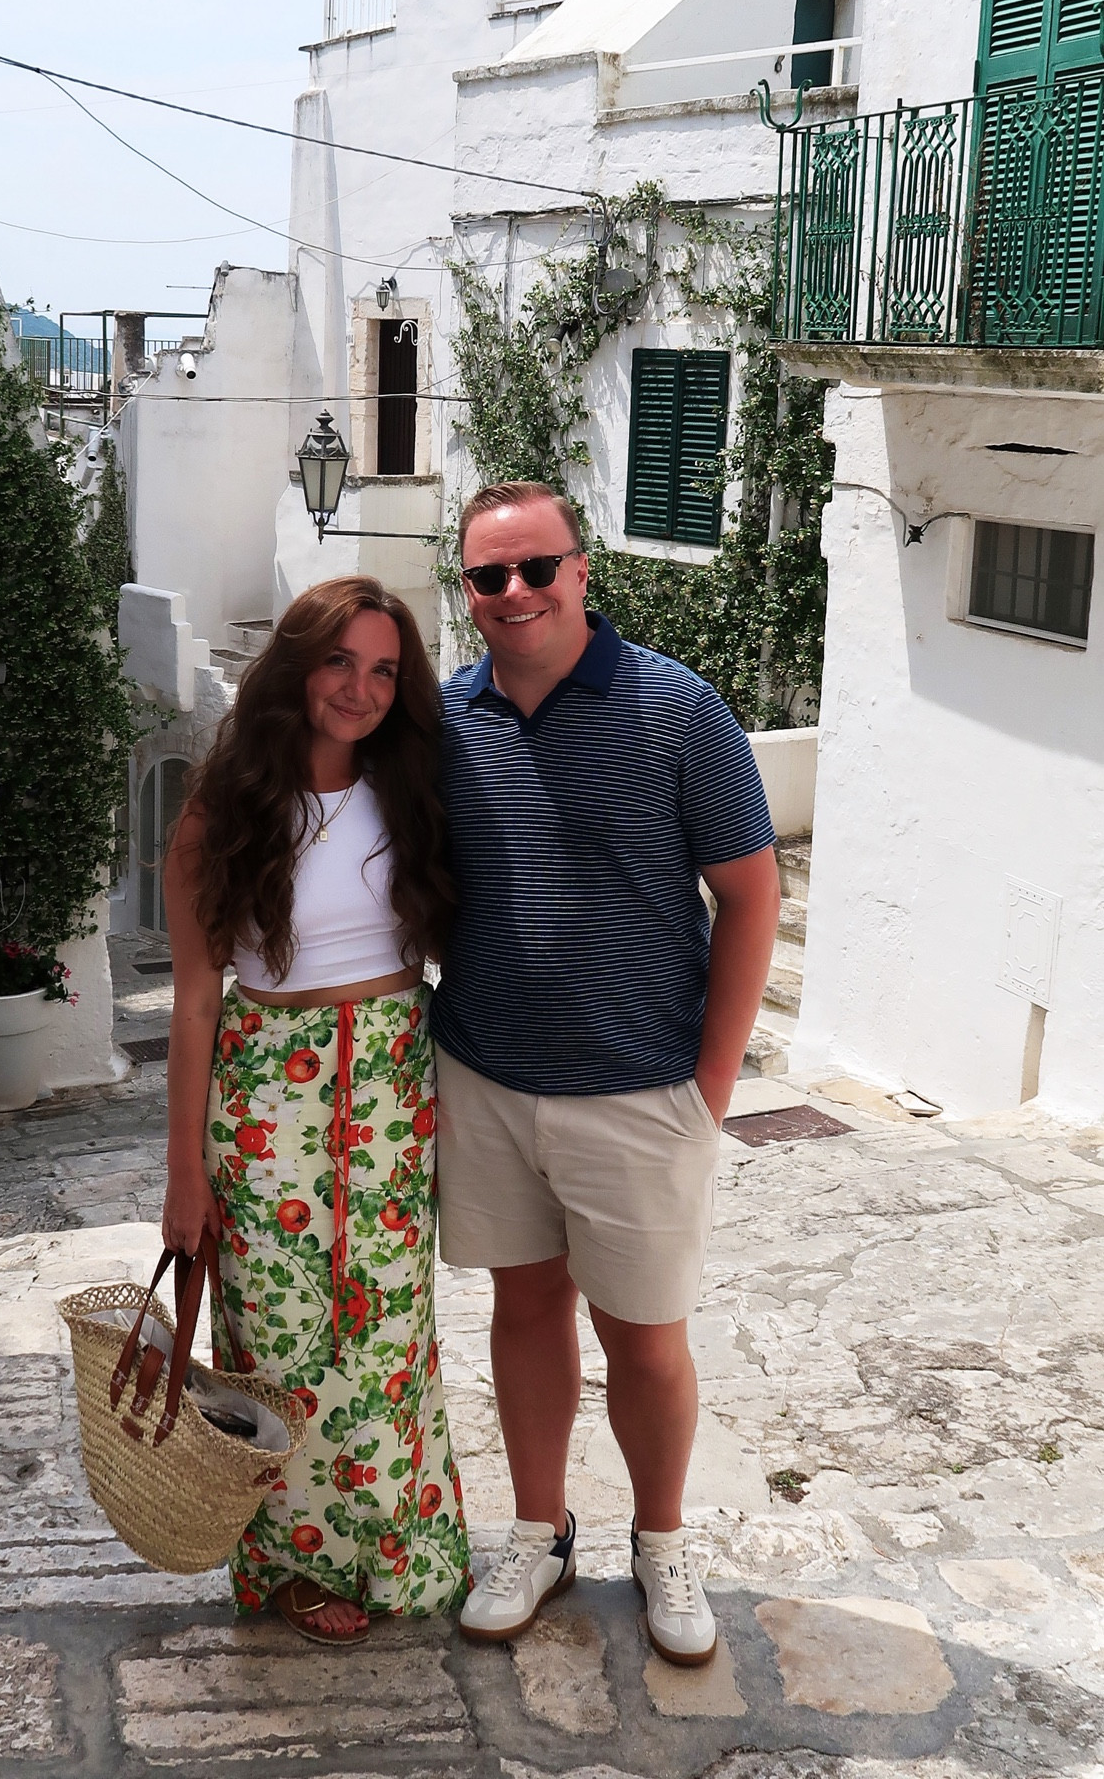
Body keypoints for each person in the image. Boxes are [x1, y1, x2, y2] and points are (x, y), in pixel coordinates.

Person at [431, 480, 780, 1665]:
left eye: (537, 568)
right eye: (490, 576)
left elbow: (749, 895)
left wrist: (710, 1088)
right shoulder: (445, 721)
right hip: (485, 1074)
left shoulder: (676, 709)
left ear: (583, 571)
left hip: (640, 1088)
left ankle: (663, 1539)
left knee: (646, 1336)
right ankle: (538, 1528)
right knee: (522, 1307)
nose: (515, 592)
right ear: (467, 590)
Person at [161, 576, 470, 1647]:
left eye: (385, 668)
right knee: (281, 1343)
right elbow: (196, 1001)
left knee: (387, 1336)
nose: (361, 687)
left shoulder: (414, 786)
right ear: (295, 665)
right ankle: (288, 1563)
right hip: (266, 1093)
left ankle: (397, 1545)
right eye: (340, 661)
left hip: (390, 1079)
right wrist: (183, 1176)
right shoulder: (221, 814)